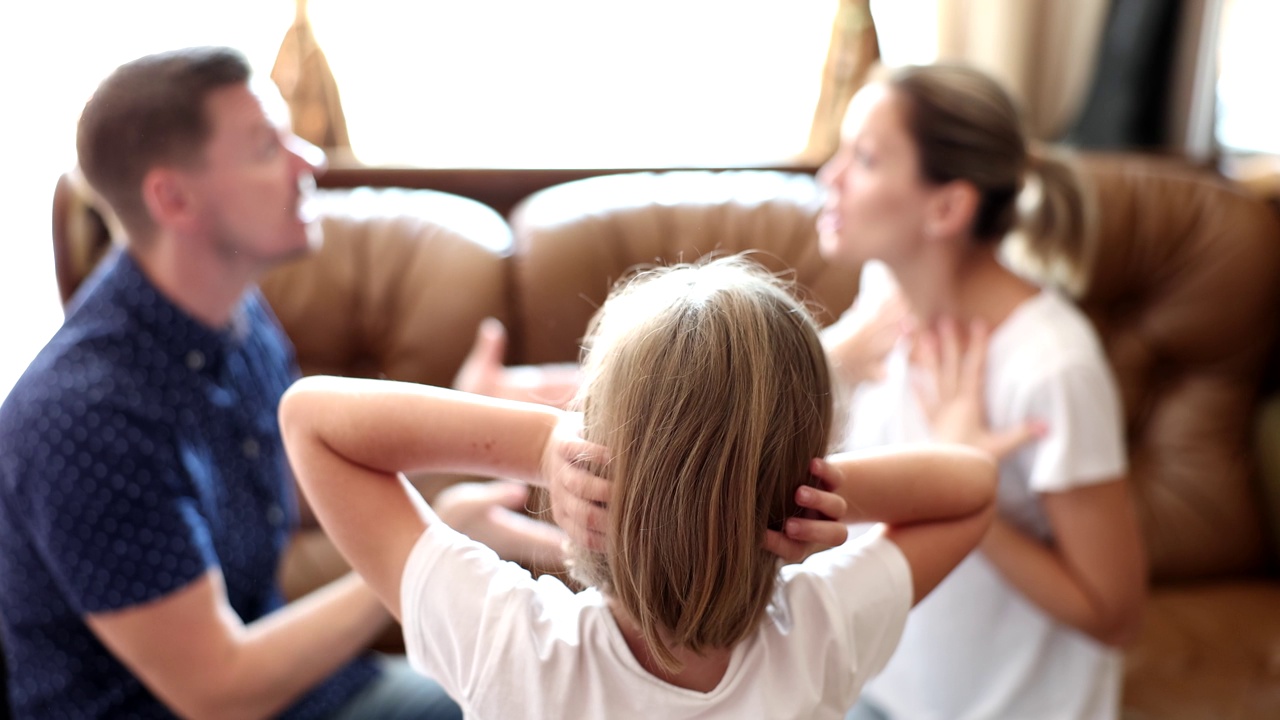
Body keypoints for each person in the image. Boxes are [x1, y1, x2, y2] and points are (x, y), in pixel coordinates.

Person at [0, 46, 552, 720]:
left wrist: (462, 436)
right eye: (267, 146)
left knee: (537, 694)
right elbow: (219, 691)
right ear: (172, 197)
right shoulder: (83, 417)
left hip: (306, 695)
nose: (310, 161)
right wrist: (432, 546)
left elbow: (284, 487)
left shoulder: (236, 316)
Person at [279, 254, 1000, 719]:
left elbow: (311, 420)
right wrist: (802, 490)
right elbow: (972, 487)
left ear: (595, 463)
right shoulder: (819, 634)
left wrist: (541, 443)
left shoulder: (511, 646)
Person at [817, 63, 1148, 720]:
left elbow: (1116, 616)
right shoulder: (886, 294)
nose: (831, 176)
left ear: (946, 207)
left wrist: (964, 483)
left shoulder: (1051, 366)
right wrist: (830, 364)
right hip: (876, 692)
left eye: (866, 158)